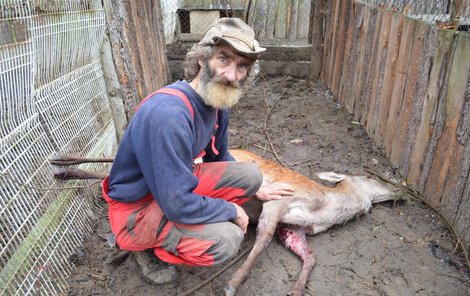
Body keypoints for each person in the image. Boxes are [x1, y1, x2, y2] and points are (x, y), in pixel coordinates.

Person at [102, 17, 294, 285]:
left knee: (251, 175)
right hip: (136, 210)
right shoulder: (169, 115)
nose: (232, 75)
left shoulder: (215, 106)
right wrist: (230, 210)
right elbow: (178, 203)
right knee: (228, 239)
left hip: (168, 190)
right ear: (203, 59)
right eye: (224, 59)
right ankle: (144, 248)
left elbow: (221, 160)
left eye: (242, 66)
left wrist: (255, 188)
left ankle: (181, 225)